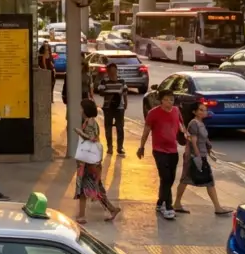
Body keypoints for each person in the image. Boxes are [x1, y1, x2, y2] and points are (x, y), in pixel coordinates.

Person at [173, 101, 233, 216]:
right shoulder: (194, 123)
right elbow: (193, 142)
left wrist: (209, 148)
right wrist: (198, 157)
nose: (203, 112)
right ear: (194, 112)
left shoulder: (201, 123)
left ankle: (216, 207)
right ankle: (177, 203)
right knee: (188, 179)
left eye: (204, 110)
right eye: (200, 110)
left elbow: (204, 138)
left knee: (199, 180)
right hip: (194, 157)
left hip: (200, 155)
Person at [137, 88, 187, 220]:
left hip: (173, 150)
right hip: (159, 150)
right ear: (160, 100)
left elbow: (181, 125)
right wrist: (141, 146)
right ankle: (168, 206)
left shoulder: (176, 111)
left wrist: (184, 135)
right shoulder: (153, 113)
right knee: (165, 177)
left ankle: (160, 202)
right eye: (166, 99)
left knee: (170, 178)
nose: (169, 102)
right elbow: (146, 130)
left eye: (171, 99)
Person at [74, 98, 121, 224]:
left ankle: (82, 215)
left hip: (88, 162)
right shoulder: (90, 121)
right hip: (91, 161)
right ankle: (111, 209)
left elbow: (92, 138)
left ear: (85, 110)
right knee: (96, 187)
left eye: (81, 108)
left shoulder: (90, 122)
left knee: (84, 186)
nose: (80, 110)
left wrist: (80, 133)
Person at [97, 63, 127, 155]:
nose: (113, 73)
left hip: (119, 107)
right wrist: (111, 95)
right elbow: (100, 92)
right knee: (108, 127)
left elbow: (125, 93)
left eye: (114, 70)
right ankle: (109, 147)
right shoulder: (104, 81)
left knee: (120, 128)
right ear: (108, 72)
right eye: (110, 71)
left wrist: (125, 103)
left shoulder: (121, 81)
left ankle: (120, 147)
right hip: (108, 108)